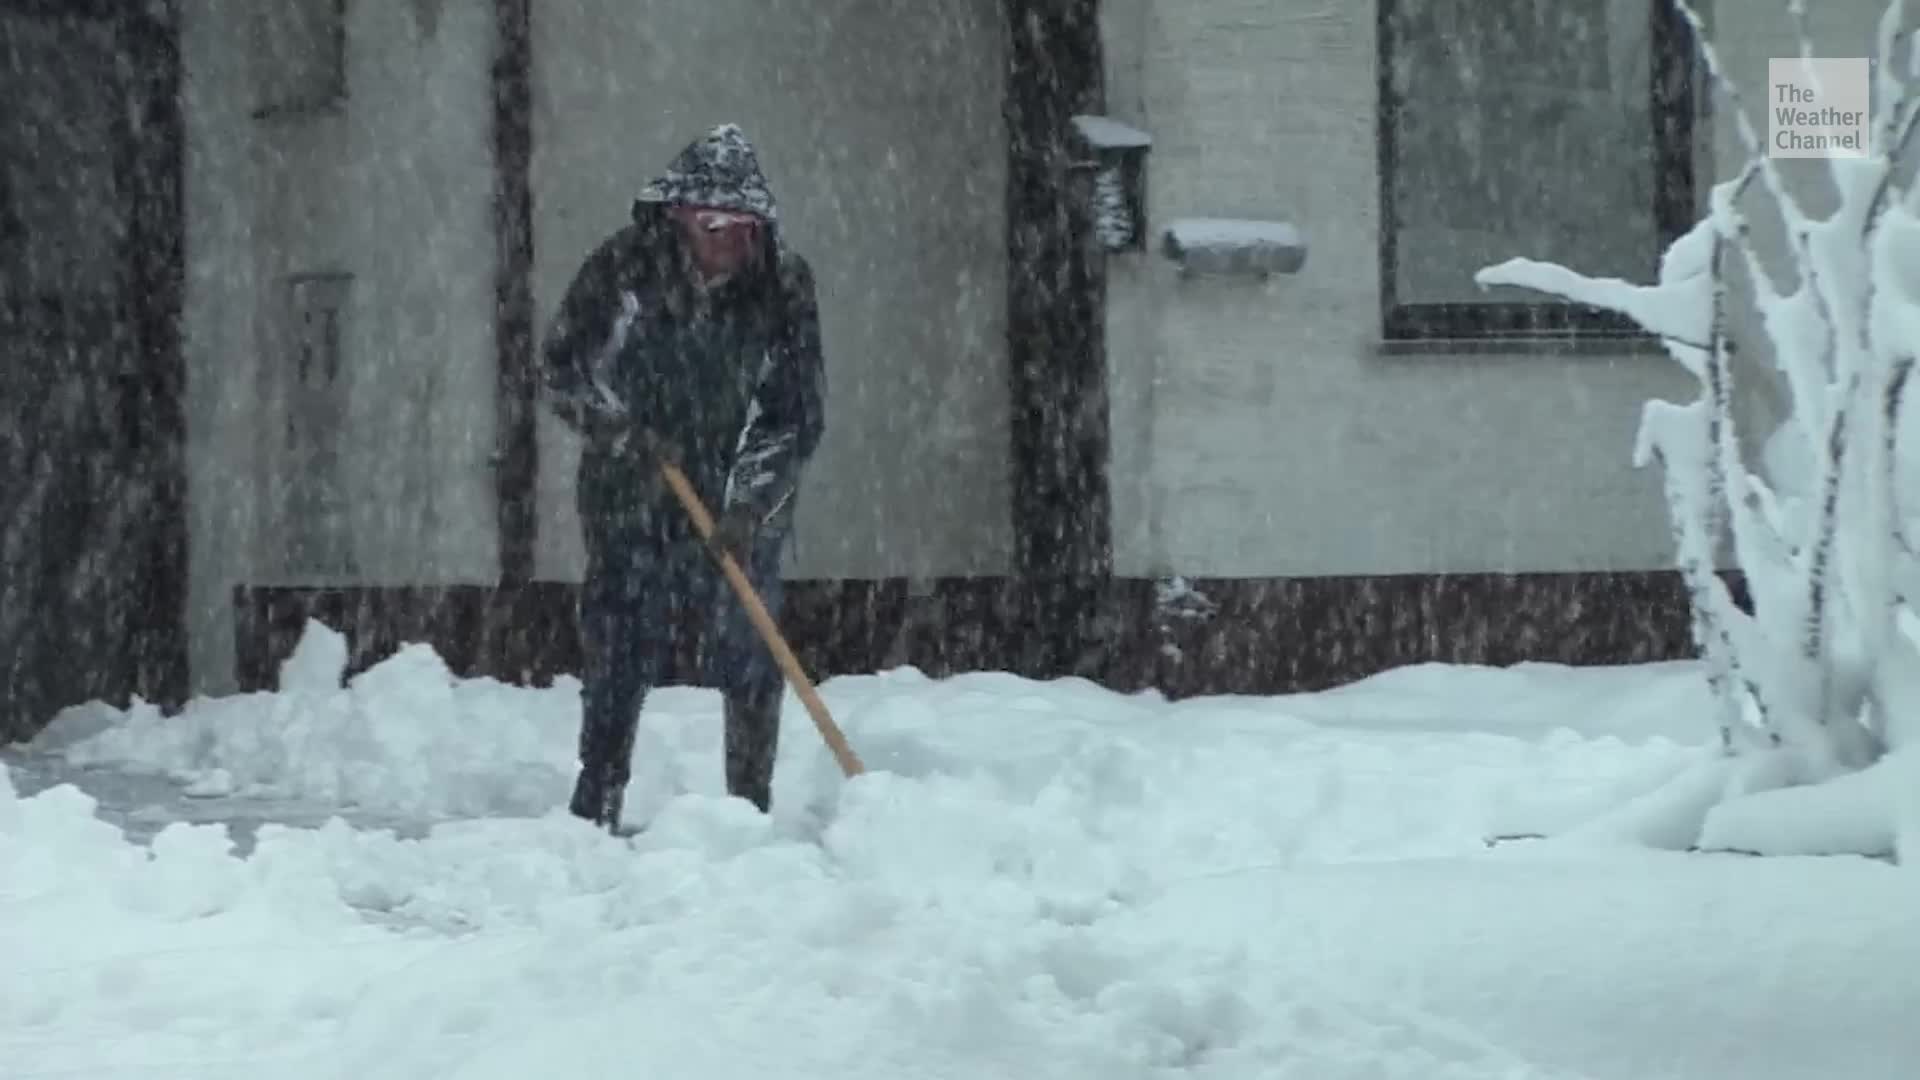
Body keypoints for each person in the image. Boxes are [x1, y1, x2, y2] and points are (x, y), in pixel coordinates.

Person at [539, 124, 826, 831]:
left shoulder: (782, 285)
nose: (729, 240)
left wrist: (750, 505)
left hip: (736, 489)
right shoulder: (624, 267)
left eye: (743, 226)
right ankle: (597, 795)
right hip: (631, 485)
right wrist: (624, 434)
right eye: (712, 225)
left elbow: (793, 412)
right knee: (621, 635)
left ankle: (747, 810)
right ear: (679, 219)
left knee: (751, 638)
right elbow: (563, 368)